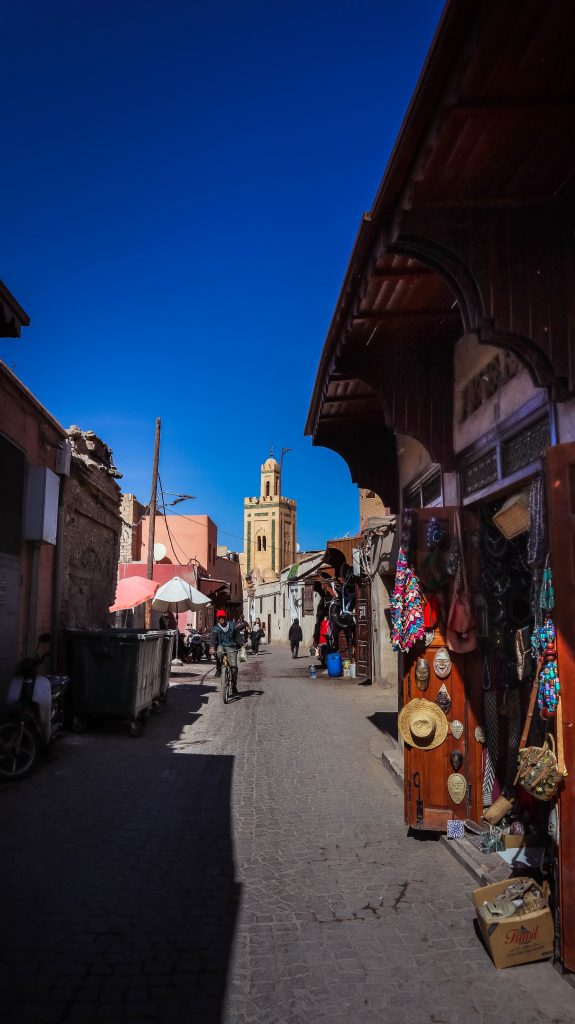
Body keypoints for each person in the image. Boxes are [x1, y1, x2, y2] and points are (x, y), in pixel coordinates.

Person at [210, 609, 240, 694]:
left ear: (225, 617)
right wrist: (212, 648)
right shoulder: (216, 628)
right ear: (217, 619)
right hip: (222, 645)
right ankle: (219, 669)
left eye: (222, 617)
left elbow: (237, 636)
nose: (221, 619)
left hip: (231, 646)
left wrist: (242, 644)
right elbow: (212, 639)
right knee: (219, 653)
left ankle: (234, 685)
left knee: (234, 667)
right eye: (219, 618)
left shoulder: (232, 625)